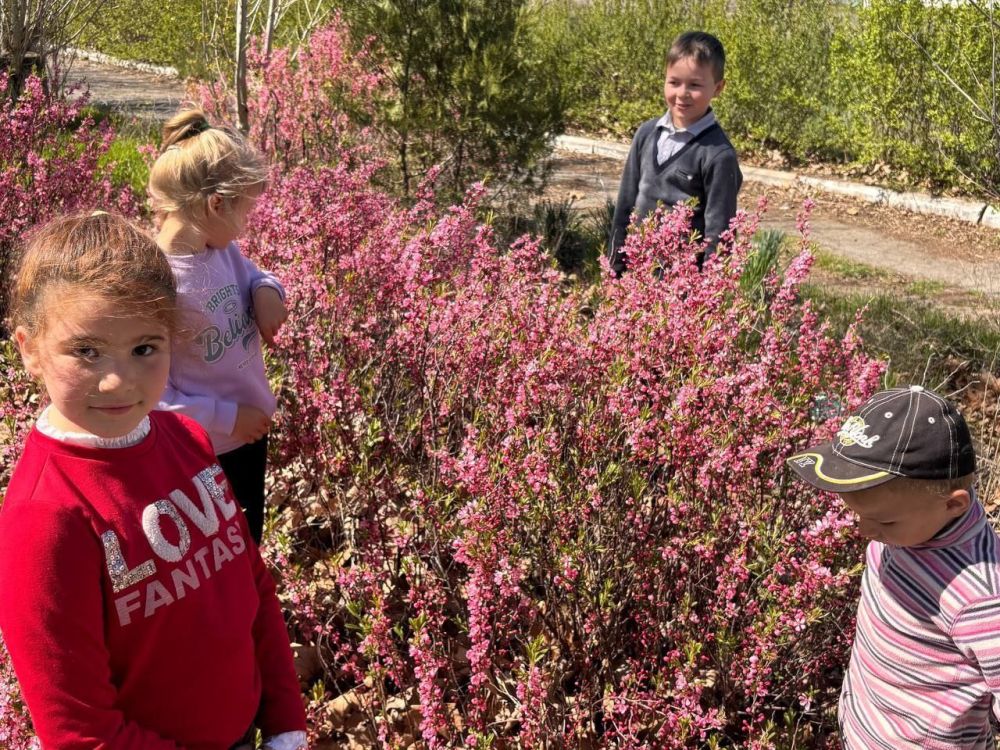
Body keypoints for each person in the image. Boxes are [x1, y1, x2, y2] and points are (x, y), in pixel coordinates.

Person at [0, 211, 307, 749]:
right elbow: (80, 734)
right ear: (29, 348)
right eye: (86, 351)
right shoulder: (43, 518)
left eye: (145, 348)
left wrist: (285, 724)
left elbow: (250, 583)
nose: (118, 380)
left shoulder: (186, 437)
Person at [786, 385, 999, 748]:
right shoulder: (912, 527)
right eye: (858, 516)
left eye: (883, 523)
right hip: (865, 724)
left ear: (953, 505)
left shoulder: (980, 597)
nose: (865, 531)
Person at [150, 107, 288, 544]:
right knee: (215, 558)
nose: (246, 224)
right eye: (244, 212)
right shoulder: (157, 284)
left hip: (248, 437)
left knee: (249, 546)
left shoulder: (222, 254)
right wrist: (229, 419)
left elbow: (258, 275)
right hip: (202, 453)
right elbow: (153, 395)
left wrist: (266, 292)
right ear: (216, 204)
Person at [608, 31, 742, 276]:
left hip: (681, 289)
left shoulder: (718, 155)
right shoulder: (646, 134)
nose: (682, 93)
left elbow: (720, 234)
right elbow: (625, 206)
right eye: (674, 82)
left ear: (718, 88)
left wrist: (707, 296)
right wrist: (614, 270)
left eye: (695, 85)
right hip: (635, 275)